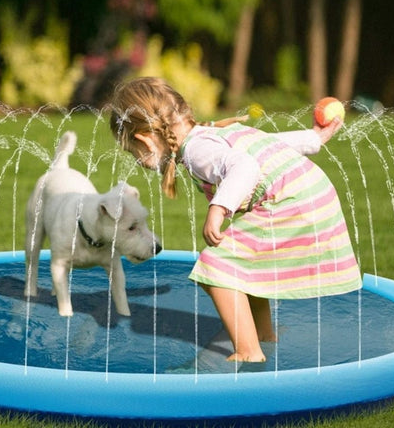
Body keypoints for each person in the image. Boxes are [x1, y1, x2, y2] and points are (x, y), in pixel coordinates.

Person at [109, 77, 362, 363]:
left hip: (290, 202)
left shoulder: (196, 150)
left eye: (134, 153)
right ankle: (264, 335)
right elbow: (268, 144)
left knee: (216, 267)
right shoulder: (211, 132)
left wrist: (219, 208)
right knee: (244, 264)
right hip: (312, 194)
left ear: (144, 139)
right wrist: (313, 138)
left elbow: (244, 165)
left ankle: (249, 353)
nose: (137, 160)